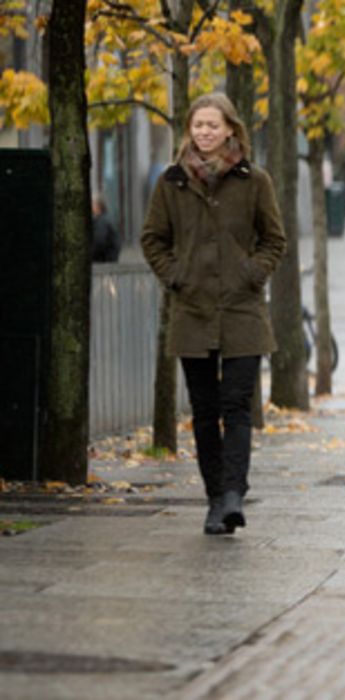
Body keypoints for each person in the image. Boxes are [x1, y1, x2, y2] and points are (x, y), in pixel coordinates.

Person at [140, 92, 287, 537]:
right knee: (204, 411)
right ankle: (214, 501)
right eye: (197, 125)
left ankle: (233, 495)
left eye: (212, 125)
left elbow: (274, 240)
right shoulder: (172, 183)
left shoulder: (253, 180)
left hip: (243, 310)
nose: (204, 132)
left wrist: (252, 273)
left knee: (236, 405)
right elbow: (152, 240)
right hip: (193, 310)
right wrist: (177, 276)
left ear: (230, 129)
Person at [91, 194, 122, 263]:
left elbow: (99, 242)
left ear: (98, 206)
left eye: (92, 204)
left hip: (105, 260)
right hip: (111, 258)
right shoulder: (106, 218)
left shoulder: (102, 221)